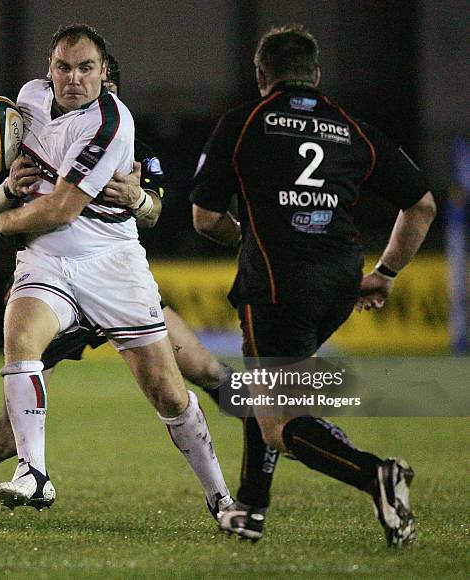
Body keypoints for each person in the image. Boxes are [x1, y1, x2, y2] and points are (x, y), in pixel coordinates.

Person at [0, 24, 233, 525]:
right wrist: (6, 188)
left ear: (106, 74)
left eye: (86, 69)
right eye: (64, 67)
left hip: (112, 269)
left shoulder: (114, 124)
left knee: (181, 381)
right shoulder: (27, 103)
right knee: (14, 373)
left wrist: (136, 198)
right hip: (49, 264)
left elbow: (114, 209)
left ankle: (229, 491)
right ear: (48, 71)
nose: (74, 78)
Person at [191, 24, 436, 546]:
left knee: (278, 418)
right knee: (268, 391)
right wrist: (387, 273)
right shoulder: (350, 127)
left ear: (261, 76)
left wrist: (244, 238)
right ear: (317, 76)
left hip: (278, 284)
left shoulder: (243, 122)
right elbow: (422, 204)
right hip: (340, 284)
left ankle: (377, 475)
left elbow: (205, 217)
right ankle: (251, 509)